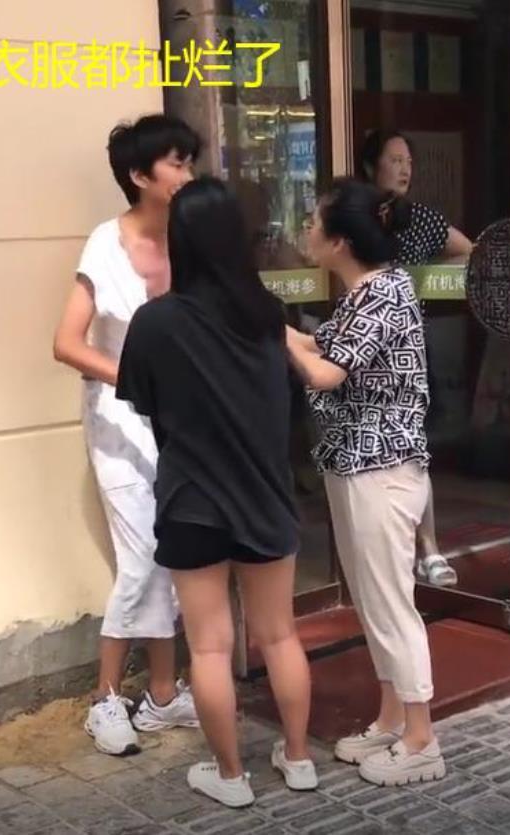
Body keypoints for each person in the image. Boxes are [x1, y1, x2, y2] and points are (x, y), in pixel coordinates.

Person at [116, 177, 317, 807]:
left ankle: (230, 777)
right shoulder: (269, 318)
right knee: (280, 635)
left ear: (180, 241)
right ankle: (299, 758)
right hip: (265, 495)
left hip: (191, 499)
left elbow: (143, 404)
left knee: (208, 645)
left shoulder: (155, 322)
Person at [286, 178, 445, 787]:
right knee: (374, 600)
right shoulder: (368, 291)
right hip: (356, 462)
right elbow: (320, 343)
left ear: (341, 241)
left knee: (391, 603)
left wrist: (276, 337)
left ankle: (422, 739)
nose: (306, 230)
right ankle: (391, 718)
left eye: (313, 221)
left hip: (381, 467)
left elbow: (326, 372)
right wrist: (272, 325)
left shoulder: (381, 292)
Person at [53, 115, 201, 756]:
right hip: (117, 421)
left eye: (189, 161)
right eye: (177, 163)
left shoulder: (191, 239)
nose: (188, 174)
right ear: (140, 175)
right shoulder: (104, 244)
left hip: (181, 421)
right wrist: (135, 379)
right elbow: (66, 343)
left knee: (169, 551)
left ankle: (162, 696)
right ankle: (105, 697)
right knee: (141, 558)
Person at [359, 129, 474, 588]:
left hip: (405, 349)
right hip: (360, 348)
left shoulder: (421, 219)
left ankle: (429, 548)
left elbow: (469, 250)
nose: (404, 168)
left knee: (412, 451)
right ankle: (389, 552)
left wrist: (425, 276)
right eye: (394, 160)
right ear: (370, 167)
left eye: (408, 161)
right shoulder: (355, 216)